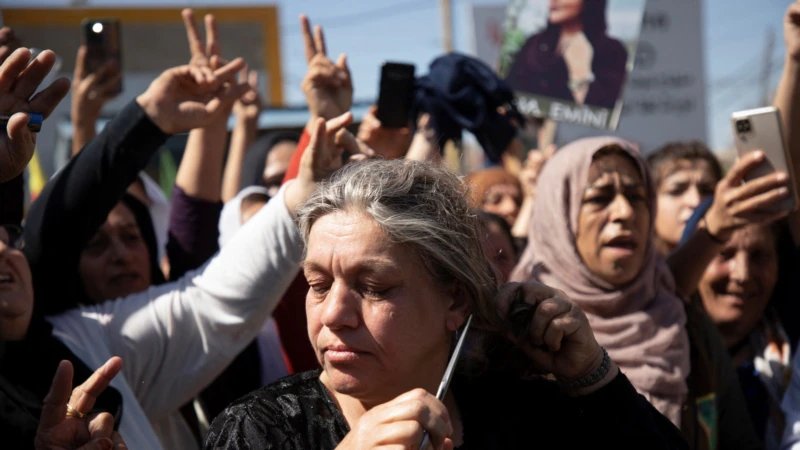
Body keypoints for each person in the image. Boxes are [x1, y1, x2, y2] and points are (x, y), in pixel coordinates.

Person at [2, 46, 364, 448]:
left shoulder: (91, 345)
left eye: (7, 239)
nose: (3, 252)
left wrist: (298, 200)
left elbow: (211, 302)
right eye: (97, 245)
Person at [205, 159, 691, 449]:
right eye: (317, 284)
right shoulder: (260, 429)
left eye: (373, 286)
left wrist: (594, 376)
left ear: (454, 299)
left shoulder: (522, 415)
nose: (334, 313)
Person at [510, 136, 791, 449]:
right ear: (557, 214)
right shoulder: (521, 328)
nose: (624, 212)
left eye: (636, 196)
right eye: (600, 198)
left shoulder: (682, 320)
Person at [505, 0, 628, 109]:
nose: (554, 1)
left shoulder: (612, 51)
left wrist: (580, 73)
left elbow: (605, 116)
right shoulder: (533, 43)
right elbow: (507, 95)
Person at [647, 141, 723, 255]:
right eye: (676, 191)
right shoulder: (635, 271)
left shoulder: (738, 265)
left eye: (707, 191)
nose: (696, 202)